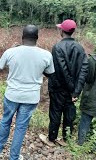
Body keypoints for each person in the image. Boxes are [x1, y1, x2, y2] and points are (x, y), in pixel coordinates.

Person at [0, 25, 55, 160]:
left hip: (12, 94)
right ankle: (13, 156)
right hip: (31, 97)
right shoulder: (46, 55)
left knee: (6, 121)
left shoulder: (11, 52)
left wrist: (13, 51)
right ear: (37, 38)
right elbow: (50, 74)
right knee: (21, 127)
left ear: (22, 37)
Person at [39, 19, 89, 147]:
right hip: (73, 91)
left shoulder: (57, 47)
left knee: (55, 112)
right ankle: (66, 139)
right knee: (69, 113)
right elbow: (84, 69)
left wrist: (72, 88)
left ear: (62, 31)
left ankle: (51, 139)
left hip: (58, 88)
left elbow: (62, 70)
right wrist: (76, 91)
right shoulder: (80, 48)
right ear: (73, 31)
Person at [78, 54, 96, 145]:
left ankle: (80, 144)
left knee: (85, 120)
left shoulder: (93, 60)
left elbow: (88, 79)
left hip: (92, 97)